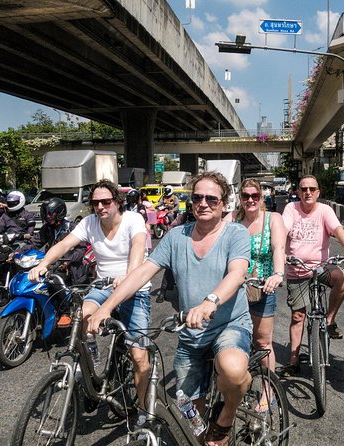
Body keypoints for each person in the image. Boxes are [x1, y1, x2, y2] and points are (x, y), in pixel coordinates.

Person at [86, 172, 252, 446]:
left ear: (224, 203)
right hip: (191, 334)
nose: (204, 203)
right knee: (191, 425)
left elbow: (236, 273)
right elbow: (141, 274)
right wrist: (106, 307)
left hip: (228, 324)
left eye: (212, 198)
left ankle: (226, 419)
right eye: (197, 197)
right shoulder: (176, 236)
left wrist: (210, 301)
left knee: (232, 369)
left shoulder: (236, 233)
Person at [28, 179, 151, 426]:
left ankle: (144, 410)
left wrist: (130, 274)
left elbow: (138, 246)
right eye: (95, 202)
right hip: (103, 286)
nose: (101, 207)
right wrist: (42, 264)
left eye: (106, 201)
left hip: (134, 286)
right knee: (81, 316)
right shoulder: (89, 223)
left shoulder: (132, 219)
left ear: (117, 202)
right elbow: (64, 244)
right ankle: (91, 363)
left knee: (138, 355)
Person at [278, 175, 344, 377]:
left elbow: (338, 230)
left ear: (318, 192)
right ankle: (293, 361)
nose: (308, 192)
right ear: (298, 192)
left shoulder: (325, 210)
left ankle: (330, 320)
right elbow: (283, 230)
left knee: (342, 278)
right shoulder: (291, 209)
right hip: (297, 269)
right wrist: (279, 251)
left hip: (321, 267)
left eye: (312, 189)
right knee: (298, 316)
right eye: (303, 189)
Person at [224, 178, 286, 410]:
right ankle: (239, 383)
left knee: (262, 342)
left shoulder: (273, 219)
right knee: (234, 341)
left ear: (262, 197)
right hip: (234, 290)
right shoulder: (232, 218)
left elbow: (279, 248)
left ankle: (268, 391)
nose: (250, 200)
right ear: (239, 197)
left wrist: (278, 274)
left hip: (262, 288)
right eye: (245, 196)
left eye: (255, 196)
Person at [19, 197, 88, 287]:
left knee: (58, 287)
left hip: (72, 270)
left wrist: (68, 261)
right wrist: (18, 252)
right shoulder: (47, 228)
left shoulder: (71, 228)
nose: (48, 216)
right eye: (46, 213)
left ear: (60, 212)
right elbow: (35, 243)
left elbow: (81, 250)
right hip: (52, 265)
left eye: (51, 213)